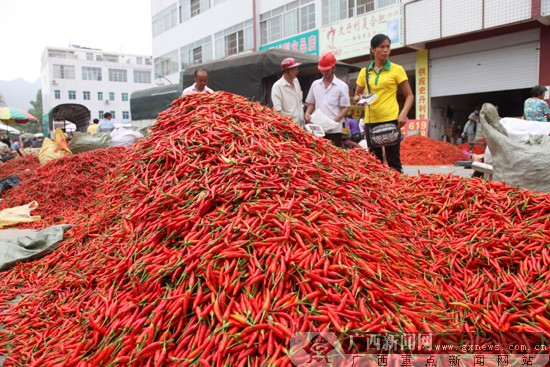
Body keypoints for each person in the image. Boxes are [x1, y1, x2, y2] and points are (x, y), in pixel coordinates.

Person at [353, 34, 414, 173]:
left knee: (394, 163)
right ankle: (380, 193)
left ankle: (397, 192)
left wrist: (403, 114)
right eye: (382, 47)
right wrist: (359, 99)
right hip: (371, 121)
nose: (386, 50)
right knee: (375, 163)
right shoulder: (364, 72)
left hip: (391, 120)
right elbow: (356, 95)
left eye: (388, 46)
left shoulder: (396, 69)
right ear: (373, 50)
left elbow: (409, 95)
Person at [305, 52, 350, 147]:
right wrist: (307, 113)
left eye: (327, 70)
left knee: (334, 156)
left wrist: (334, 121)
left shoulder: (342, 86)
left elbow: (345, 107)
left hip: (334, 130)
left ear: (333, 68)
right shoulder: (315, 84)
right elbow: (311, 103)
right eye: (322, 71)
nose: (324, 73)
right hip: (318, 129)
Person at [271, 57, 305, 127]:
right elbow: (277, 111)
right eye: (294, 69)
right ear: (286, 71)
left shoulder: (296, 81)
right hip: (290, 127)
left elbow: (299, 101)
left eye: (297, 68)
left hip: (301, 124)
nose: (297, 71)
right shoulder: (277, 86)